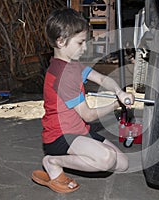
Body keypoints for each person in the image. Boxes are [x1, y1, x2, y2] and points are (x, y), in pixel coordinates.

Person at [31, 8, 134, 193]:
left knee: (122, 164)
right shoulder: (62, 75)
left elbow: (102, 79)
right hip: (60, 136)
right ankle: (53, 161)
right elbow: (88, 114)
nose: (85, 47)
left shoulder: (74, 66)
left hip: (79, 130)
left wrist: (119, 91)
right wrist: (115, 105)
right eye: (80, 42)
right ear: (61, 41)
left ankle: (76, 153)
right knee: (106, 159)